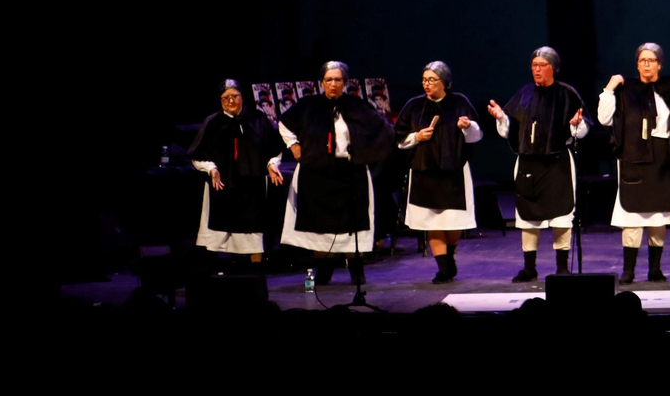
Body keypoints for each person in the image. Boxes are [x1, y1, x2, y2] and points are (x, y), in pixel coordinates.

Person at [277, 61, 395, 286]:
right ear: (322, 82)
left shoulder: (356, 105)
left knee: (354, 225)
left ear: (345, 82)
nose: (333, 84)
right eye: (328, 80)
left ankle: (356, 272)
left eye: (337, 80)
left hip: (350, 172)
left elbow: (382, 129)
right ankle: (322, 273)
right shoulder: (308, 105)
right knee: (319, 226)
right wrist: (293, 145)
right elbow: (284, 123)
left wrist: (367, 152)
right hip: (317, 173)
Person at [598, 43, 670, 284]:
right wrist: (609, 89)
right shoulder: (626, 89)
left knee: (658, 215)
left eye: (651, 60)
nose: (646, 64)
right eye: (642, 60)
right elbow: (604, 118)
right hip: (633, 156)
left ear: (659, 64)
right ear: (637, 64)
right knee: (632, 216)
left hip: (664, 158)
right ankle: (629, 270)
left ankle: (655, 269)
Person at [488, 47, 589, 282]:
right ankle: (529, 267)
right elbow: (510, 129)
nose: (536, 69)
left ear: (552, 67)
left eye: (541, 65)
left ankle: (562, 266)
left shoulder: (566, 93)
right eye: (533, 65)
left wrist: (577, 124)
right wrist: (502, 118)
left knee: (561, 215)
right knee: (527, 215)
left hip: (557, 163)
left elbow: (581, 131)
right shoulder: (524, 94)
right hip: (528, 163)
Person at [394, 61, 483, 284]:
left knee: (453, 222)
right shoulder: (414, 105)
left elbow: (476, 135)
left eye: (432, 80)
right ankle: (443, 268)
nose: (427, 84)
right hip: (424, 170)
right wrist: (416, 137)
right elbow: (397, 138)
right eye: (424, 80)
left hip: (453, 169)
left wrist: (467, 126)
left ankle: (449, 252)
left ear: (444, 82)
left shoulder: (460, 102)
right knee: (431, 222)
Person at [188, 80, 284, 266]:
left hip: (252, 186)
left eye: (235, 96)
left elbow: (272, 147)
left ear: (242, 97)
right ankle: (216, 272)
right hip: (223, 185)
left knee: (253, 232)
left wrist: (271, 164)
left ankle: (256, 273)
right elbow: (198, 155)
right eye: (226, 98)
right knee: (218, 233)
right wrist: (212, 169)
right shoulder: (213, 123)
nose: (230, 101)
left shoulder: (257, 119)